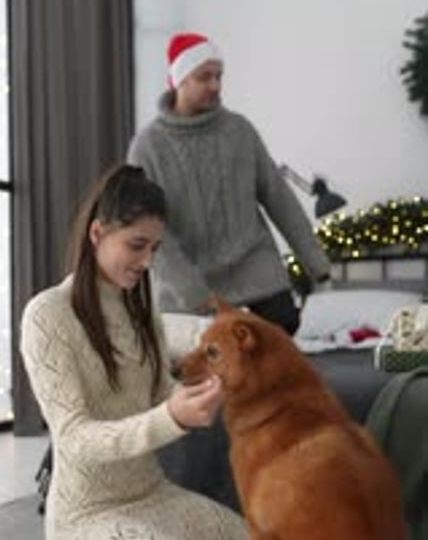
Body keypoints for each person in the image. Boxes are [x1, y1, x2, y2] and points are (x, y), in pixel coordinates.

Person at [20, 164, 252, 540]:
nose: (148, 261)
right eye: (137, 245)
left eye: (155, 248)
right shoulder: (47, 317)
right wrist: (171, 418)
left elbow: (157, 392)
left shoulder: (139, 306)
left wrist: (191, 396)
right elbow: (76, 439)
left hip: (151, 492)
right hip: (88, 516)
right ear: (97, 233)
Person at [127, 31, 331, 335]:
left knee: (281, 339)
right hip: (189, 287)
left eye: (219, 76)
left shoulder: (240, 131)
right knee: (207, 367)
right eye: (204, 77)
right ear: (180, 80)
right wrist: (192, 292)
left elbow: (278, 197)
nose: (216, 85)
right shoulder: (148, 147)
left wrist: (317, 264)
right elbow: (150, 231)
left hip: (256, 269)